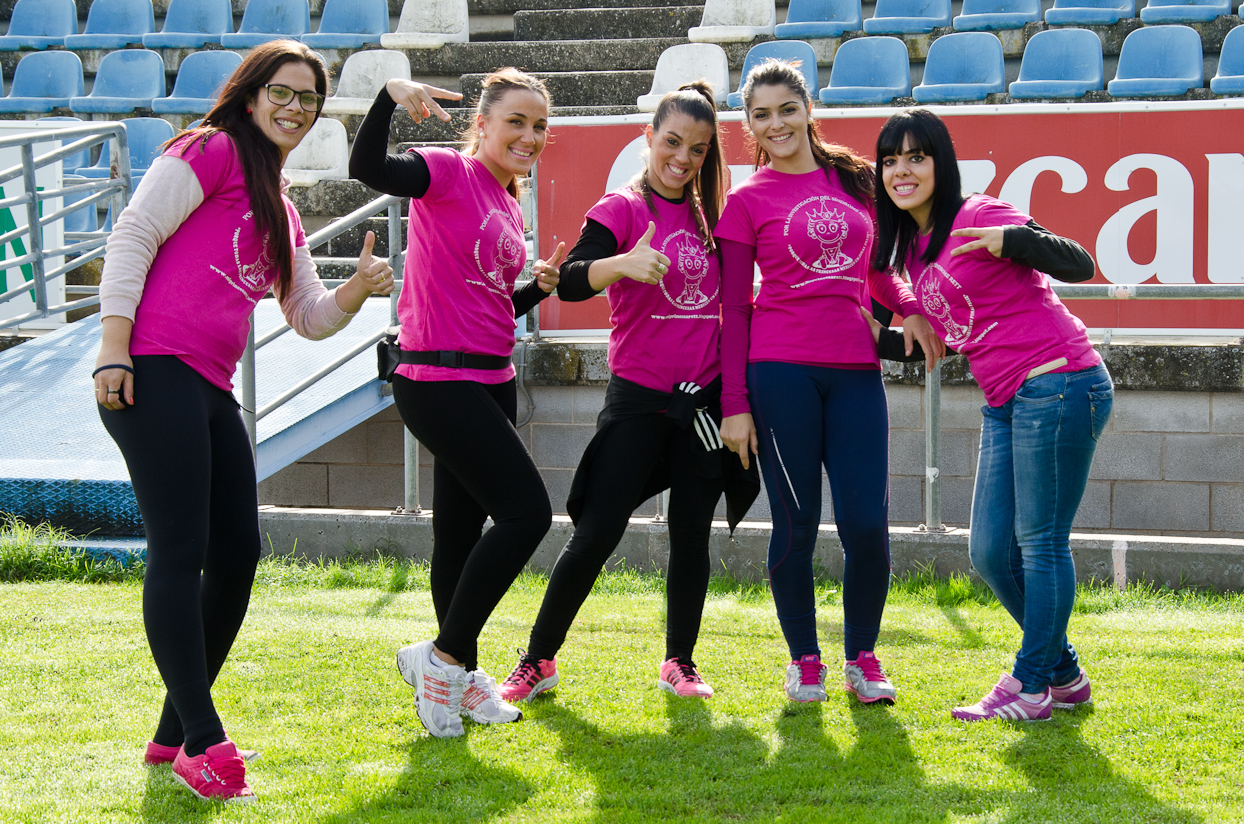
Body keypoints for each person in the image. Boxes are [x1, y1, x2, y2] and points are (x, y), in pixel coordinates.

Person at [93, 40, 394, 803]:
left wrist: (357, 289)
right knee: (182, 547)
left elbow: (305, 315)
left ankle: (173, 732)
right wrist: (112, 350)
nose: (296, 109)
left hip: (208, 384)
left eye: (310, 101)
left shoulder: (281, 205)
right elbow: (132, 235)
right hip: (153, 367)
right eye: (283, 93)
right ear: (252, 93)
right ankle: (202, 738)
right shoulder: (211, 150)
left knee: (239, 551)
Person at [495, 82, 758, 704]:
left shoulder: (714, 215)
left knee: (691, 531)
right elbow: (573, 282)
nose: (682, 158)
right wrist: (623, 265)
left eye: (696, 149)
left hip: (703, 405)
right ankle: (538, 659)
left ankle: (681, 661)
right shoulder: (620, 209)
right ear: (648, 139)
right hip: (639, 399)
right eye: (671, 142)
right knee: (597, 531)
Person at [715, 60, 944, 706]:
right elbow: (734, 310)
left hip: (854, 373)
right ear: (749, 124)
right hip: (779, 371)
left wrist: (908, 307)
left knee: (867, 523)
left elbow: (879, 272)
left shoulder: (856, 181)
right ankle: (804, 661)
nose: (776, 123)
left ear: (808, 107)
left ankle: (863, 658)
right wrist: (735, 405)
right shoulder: (745, 201)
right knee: (796, 522)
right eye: (761, 114)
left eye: (787, 108)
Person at [873, 108, 1111, 722]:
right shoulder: (917, 255)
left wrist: (1016, 242)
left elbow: (1078, 261)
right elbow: (946, 337)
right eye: (891, 160)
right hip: (1006, 401)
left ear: (940, 163)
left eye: (915, 157)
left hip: (1058, 382)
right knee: (989, 553)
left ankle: (1030, 685)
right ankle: (1063, 674)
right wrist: (847, 332)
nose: (902, 170)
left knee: (1039, 544)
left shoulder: (979, 214)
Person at [348, 68, 560, 739]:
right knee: (527, 514)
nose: (529, 135)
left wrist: (535, 289)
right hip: (438, 380)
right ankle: (440, 659)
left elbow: (491, 303)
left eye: (539, 126)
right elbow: (367, 167)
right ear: (483, 124)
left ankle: (461, 677)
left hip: (491, 376)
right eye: (517, 122)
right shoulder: (446, 171)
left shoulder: (504, 197)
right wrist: (388, 98)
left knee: (459, 536)